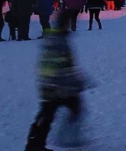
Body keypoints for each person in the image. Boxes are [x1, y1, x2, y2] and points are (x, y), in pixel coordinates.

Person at [24, 11, 91, 151]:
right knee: (48, 114)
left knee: (51, 113)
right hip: (55, 86)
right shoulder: (58, 40)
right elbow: (62, 66)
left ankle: (38, 143)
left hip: (54, 85)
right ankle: (36, 144)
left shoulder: (55, 37)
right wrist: (74, 83)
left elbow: (65, 65)